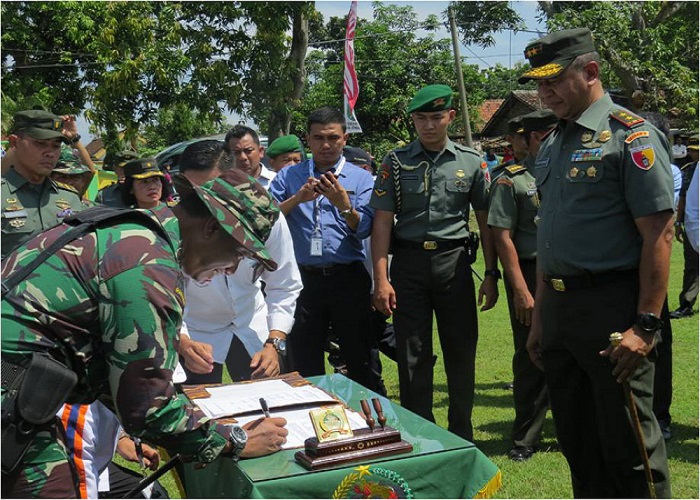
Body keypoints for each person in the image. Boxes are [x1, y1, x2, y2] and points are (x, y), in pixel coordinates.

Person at [1, 168, 289, 498]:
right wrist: (234, 440)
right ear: (211, 227)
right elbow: (148, 408)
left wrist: (202, 425)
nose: (233, 268)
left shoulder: (131, 232)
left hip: (20, 393)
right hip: (12, 403)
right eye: (238, 253)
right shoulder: (146, 263)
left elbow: (128, 383)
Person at [520, 28, 672, 497]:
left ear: (590, 72)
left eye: (554, 81)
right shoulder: (553, 141)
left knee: (629, 449)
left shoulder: (631, 135)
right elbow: (550, 238)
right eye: (539, 84)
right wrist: (542, 318)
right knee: (578, 444)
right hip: (562, 312)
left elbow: (660, 233)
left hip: (613, 310)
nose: (544, 93)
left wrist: (645, 325)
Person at [370, 84, 499, 441]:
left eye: (436, 117)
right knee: (413, 354)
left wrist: (490, 273)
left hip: (454, 264)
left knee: (460, 349)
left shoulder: (471, 162)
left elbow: (485, 220)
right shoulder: (395, 162)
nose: (428, 125)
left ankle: (461, 431)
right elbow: (381, 222)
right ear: (413, 120)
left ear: (451, 117)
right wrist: (381, 279)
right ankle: (420, 431)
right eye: (421, 118)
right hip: (408, 265)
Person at [268, 107, 379, 392]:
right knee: (304, 360)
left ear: (344, 138)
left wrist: (344, 204)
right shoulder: (289, 177)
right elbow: (267, 219)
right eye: (318, 138)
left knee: (359, 357)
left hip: (347, 278)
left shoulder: (361, 178)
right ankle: (314, 422)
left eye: (333, 138)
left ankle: (366, 422)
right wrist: (299, 198)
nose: (326, 145)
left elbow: (364, 228)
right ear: (308, 139)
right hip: (304, 279)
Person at [179, 139, 302, 383]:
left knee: (265, 405)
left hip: (252, 326)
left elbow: (284, 283)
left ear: (233, 178)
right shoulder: (173, 227)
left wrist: (274, 342)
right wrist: (181, 340)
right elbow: (165, 295)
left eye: (212, 192)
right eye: (194, 192)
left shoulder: (264, 219)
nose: (203, 204)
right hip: (195, 333)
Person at [488, 108, 557, 461]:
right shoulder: (511, 180)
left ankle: (575, 427)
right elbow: (502, 236)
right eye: (543, 136)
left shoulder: (566, 171)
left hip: (569, 272)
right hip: (529, 272)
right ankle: (526, 437)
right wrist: (519, 288)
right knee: (531, 355)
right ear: (529, 140)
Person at [1, 110, 84, 259]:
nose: (50, 153)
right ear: (14, 142)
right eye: (40, 144)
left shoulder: (70, 197)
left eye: (56, 146)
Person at [670, 135, 698, 318]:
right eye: (692, 150)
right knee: (692, 266)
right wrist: (679, 223)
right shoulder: (690, 170)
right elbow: (684, 198)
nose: (693, 153)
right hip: (694, 223)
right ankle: (686, 303)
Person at [491, 116, 529, 181]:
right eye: (523, 136)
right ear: (509, 139)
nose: (529, 140)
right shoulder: (500, 174)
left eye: (531, 135)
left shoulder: (548, 165)